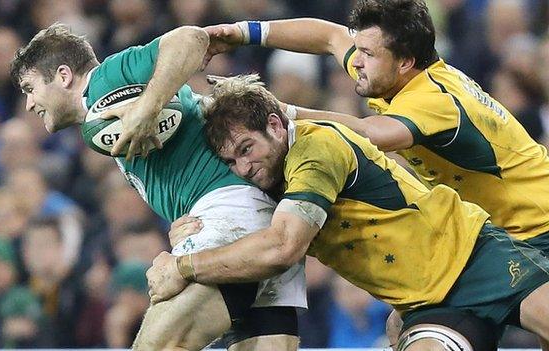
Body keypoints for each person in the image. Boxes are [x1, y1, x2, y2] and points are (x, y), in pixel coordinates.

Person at [202, 1, 549, 345]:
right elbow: (328, 36)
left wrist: (281, 111)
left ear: (405, 62)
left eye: (367, 53)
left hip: (539, 224)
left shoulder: (432, 100)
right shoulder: (394, 71)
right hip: (496, 233)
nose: (356, 60)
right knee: (402, 329)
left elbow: (366, 134)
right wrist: (242, 32)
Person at [146, 74, 549, 351]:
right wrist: (195, 232)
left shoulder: (316, 148)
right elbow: (251, 238)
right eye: (231, 162)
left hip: (480, 260)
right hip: (428, 306)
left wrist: (184, 266)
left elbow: (283, 247)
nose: (243, 169)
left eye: (247, 149)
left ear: (275, 124)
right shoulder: (270, 184)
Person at [10, 24, 306, 350]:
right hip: (249, 221)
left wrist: (147, 108)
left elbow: (192, 38)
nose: (28, 104)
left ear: (64, 75)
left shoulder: (106, 80)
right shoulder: (108, 110)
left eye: (29, 88)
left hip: (229, 217)